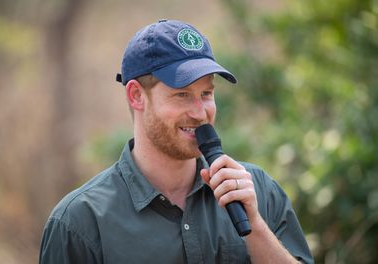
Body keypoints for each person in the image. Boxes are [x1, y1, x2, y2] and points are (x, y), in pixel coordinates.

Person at [39, 19, 314, 263]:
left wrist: (255, 225)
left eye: (206, 93)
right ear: (136, 95)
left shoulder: (259, 191)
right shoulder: (79, 223)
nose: (200, 112)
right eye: (182, 94)